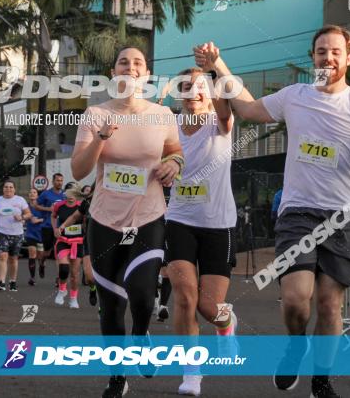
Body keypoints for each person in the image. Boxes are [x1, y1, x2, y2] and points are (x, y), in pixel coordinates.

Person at [195, 25, 350, 398]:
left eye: (335, 52)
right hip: (298, 212)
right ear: (313, 57)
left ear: (348, 58)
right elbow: (247, 108)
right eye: (321, 51)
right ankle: (296, 345)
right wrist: (219, 65)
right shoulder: (294, 96)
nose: (327, 57)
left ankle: (321, 380)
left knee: (330, 305)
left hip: (343, 218)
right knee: (297, 299)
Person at [72, 46, 183, 398]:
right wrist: (101, 138)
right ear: (114, 71)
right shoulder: (95, 113)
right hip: (104, 220)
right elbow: (78, 170)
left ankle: (141, 335)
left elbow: (175, 152)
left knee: (140, 293)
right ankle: (117, 376)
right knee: (111, 305)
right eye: (124, 62)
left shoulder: (162, 114)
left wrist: (174, 165)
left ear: (146, 75)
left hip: (148, 217)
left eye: (138, 63)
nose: (130, 67)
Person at [161, 67, 238, 396]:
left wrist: (215, 67)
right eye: (186, 87)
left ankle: (226, 324)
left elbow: (225, 109)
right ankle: (191, 372)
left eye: (201, 87)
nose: (193, 92)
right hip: (178, 220)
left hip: (218, 225)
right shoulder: (169, 127)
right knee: (184, 298)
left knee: (209, 308)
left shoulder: (220, 124)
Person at [0, 180, 32, 291]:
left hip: (17, 233)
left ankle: (12, 281)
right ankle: (1, 282)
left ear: (14, 189)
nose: (8, 189)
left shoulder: (20, 200)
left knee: (13, 259)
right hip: (2, 232)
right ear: (3, 188)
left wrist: (22, 217)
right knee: (2, 256)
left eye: (11, 187)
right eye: (6, 187)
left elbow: (28, 214)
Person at [53, 183, 85, 308]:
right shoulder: (59, 206)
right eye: (69, 193)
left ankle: (73, 298)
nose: (71, 196)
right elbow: (53, 216)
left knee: (74, 274)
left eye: (74, 193)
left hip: (78, 242)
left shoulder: (81, 207)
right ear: (64, 193)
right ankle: (62, 290)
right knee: (64, 268)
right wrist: (56, 228)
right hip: (63, 240)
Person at [36, 173, 67, 279]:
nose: (60, 182)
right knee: (47, 252)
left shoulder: (65, 194)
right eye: (58, 180)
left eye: (61, 180)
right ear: (53, 181)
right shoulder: (46, 194)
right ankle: (42, 262)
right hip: (47, 226)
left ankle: (59, 278)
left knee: (59, 253)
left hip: (61, 227)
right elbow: (36, 205)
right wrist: (48, 209)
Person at [23, 188, 44, 286]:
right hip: (30, 234)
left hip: (41, 233)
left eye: (34, 192)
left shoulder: (42, 206)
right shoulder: (25, 207)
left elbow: (48, 217)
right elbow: (22, 216)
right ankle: (32, 277)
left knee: (40, 256)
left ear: (37, 195)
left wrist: (39, 220)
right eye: (30, 192)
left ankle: (42, 265)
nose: (32, 194)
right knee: (32, 254)